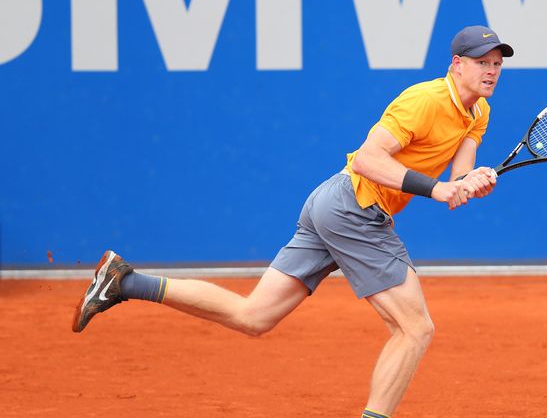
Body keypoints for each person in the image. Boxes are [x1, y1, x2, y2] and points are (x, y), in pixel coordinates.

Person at [72, 25, 513, 418]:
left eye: (496, 63)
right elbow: (366, 159)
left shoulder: (479, 112)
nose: (491, 71)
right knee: (415, 328)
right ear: (456, 65)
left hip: (331, 205)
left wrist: (472, 181)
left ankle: (126, 281)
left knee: (253, 316)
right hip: (354, 206)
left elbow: (457, 180)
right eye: (481, 62)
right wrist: (436, 189)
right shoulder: (425, 100)